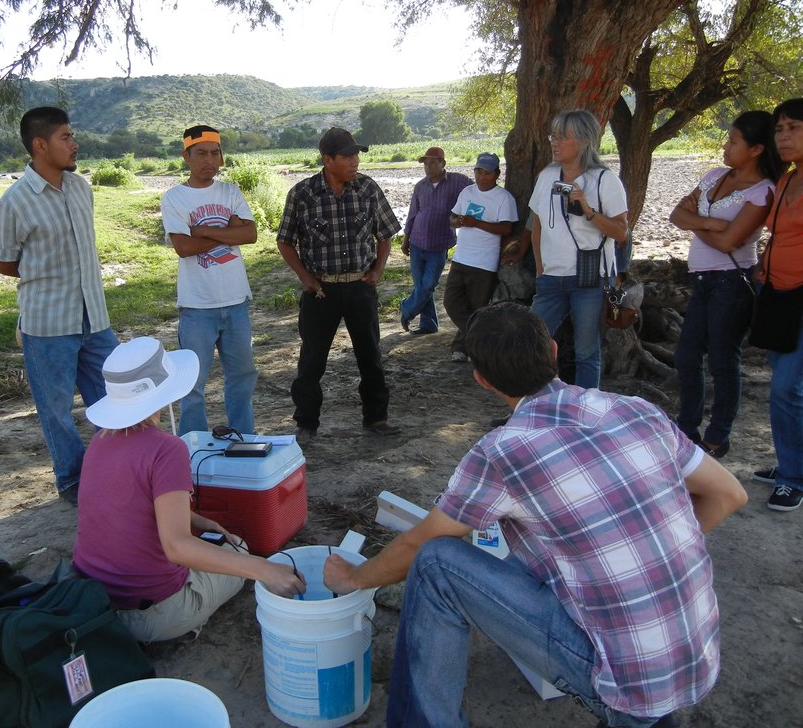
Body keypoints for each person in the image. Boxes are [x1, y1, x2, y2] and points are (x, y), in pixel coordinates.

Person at [323, 302, 748, 728]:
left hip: (623, 680)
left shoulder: (503, 451)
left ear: (482, 380)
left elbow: (420, 543)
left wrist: (353, 579)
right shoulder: (635, 410)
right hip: (695, 657)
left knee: (436, 562)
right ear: (555, 350)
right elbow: (729, 495)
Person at [72, 337, 304, 642]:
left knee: (213, 545)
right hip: (152, 614)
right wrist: (265, 569)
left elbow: (125, 508)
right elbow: (177, 547)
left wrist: (198, 521)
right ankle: (186, 624)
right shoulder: (167, 449)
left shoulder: (99, 443)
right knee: (240, 549)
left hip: (92, 600)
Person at [0, 107, 117, 505]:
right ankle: (72, 482)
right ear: (40, 145)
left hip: (95, 319)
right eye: (65, 137)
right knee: (56, 411)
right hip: (47, 325)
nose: (74, 143)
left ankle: (115, 473)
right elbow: (6, 263)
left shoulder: (81, 189)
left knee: (116, 398)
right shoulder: (14, 203)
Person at [276, 127, 402, 444]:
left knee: (370, 355)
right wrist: (305, 277)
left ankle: (377, 418)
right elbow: (285, 241)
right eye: (348, 156)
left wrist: (378, 269)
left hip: (360, 287)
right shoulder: (302, 194)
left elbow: (385, 232)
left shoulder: (368, 189)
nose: (355, 161)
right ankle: (306, 423)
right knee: (312, 360)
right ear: (328, 160)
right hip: (320, 291)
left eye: (356, 155)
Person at [669, 111, 781, 459]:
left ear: (757, 149)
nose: (726, 146)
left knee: (722, 360)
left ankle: (717, 436)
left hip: (732, 282)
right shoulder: (715, 176)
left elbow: (727, 243)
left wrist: (699, 223)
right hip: (700, 279)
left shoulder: (764, 191)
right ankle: (686, 429)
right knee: (687, 356)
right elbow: (675, 215)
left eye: (734, 141)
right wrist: (713, 223)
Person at [161, 125, 258, 436]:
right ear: (186, 156)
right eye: (201, 153)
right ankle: (193, 446)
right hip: (196, 306)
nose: (209, 160)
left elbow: (251, 234)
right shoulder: (175, 198)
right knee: (192, 383)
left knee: (242, 376)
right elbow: (183, 248)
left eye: (215, 153)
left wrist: (202, 230)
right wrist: (228, 231)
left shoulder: (231, 192)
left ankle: (243, 438)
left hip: (236, 302)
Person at [530, 109, 629, 389]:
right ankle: (533, 406)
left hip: (590, 280)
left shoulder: (604, 180)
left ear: (585, 141)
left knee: (587, 352)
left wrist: (587, 210)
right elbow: (536, 225)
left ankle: (586, 412)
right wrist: (540, 268)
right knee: (533, 345)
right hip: (550, 278)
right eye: (553, 135)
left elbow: (621, 232)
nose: (554, 142)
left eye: (563, 137)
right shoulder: (547, 176)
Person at [752, 97, 803, 512]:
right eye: (779, 129)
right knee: (786, 386)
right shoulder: (786, 179)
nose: (783, 136)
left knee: (787, 388)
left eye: (794, 128)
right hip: (777, 294)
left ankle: (792, 478)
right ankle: (791, 462)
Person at [443, 152, 518, 361]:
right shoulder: (467, 192)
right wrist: (457, 221)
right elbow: (452, 217)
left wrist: (477, 223)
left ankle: (462, 348)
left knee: (477, 308)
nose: (481, 177)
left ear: (497, 174)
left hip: (484, 263)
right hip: (461, 258)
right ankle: (482, 338)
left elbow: (506, 229)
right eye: (478, 171)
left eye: (486, 173)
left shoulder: (504, 198)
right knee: (451, 302)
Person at [399, 147, 472, 335]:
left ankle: (407, 308)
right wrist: (406, 239)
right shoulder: (420, 186)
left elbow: (476, 190)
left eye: (432, 162)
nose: (428, 167)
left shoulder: (457, 181)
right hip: (416, 241)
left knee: (429, 284)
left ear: (442, 164)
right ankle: (429, 324)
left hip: (438, 244)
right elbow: (412, 214)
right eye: (425, 163)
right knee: (420, 285)